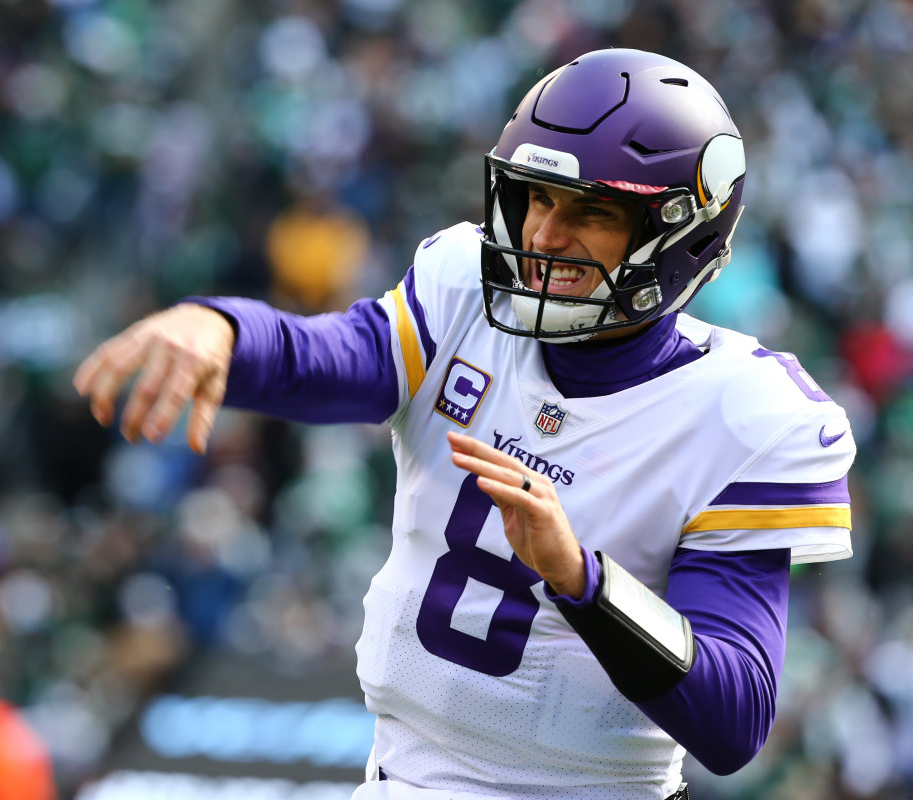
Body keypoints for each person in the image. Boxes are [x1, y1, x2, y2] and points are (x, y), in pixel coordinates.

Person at [74, 49, 855, 800]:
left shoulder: (746, 414)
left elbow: (735, 719)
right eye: (538, 198)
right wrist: (224, 330)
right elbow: (337, 356)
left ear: (683, 234)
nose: (546, 236)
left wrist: (581, 578)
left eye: (592, 212)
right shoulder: (464, 294)